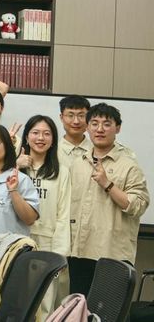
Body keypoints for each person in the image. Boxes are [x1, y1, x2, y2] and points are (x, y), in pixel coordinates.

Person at [68, 103, 149, 295]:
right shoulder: (78, 164)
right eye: (94, 123)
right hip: (79, 252)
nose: (100, 129)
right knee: (79, 308)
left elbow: (138, 206)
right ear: (87, 128)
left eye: (106, 124)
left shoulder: (129, 166)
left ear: (117, 128)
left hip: (113, 254)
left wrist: (108, 185)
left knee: (109, 309)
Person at [18, 115, 70, 320]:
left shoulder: (61, 171)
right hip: (19, 240)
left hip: (47, 242)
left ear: (53, 139)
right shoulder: (15, 167)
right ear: (27, 137)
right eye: (35, 133)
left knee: (45, 302)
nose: (41, 138)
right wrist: (15, 165)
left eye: (47, 134)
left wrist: (60, 253)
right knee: (18, 297)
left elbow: (64, 213)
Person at [57, 95, 91, 169]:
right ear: (61, 118)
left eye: (81, 116)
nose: (76, 121)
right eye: (70, 115)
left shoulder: (96, 149)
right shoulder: (52, 151)